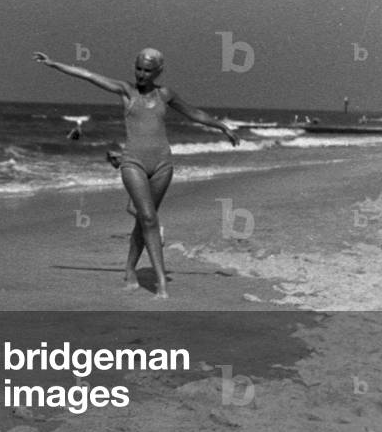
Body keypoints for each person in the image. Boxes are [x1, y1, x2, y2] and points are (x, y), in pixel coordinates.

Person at [33, 48, 239, 299]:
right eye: (138, 68)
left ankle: (130, 268)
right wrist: (53, 63)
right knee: (150, 219)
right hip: (133, 163)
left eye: (147, 70)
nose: (141, 74)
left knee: (144, 221)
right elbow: (87, 74)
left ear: (158, 71)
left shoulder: (166, 95)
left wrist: (222, 126)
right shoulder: (125, 90)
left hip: (163, 164)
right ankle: (162, 283)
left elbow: (194, 113)